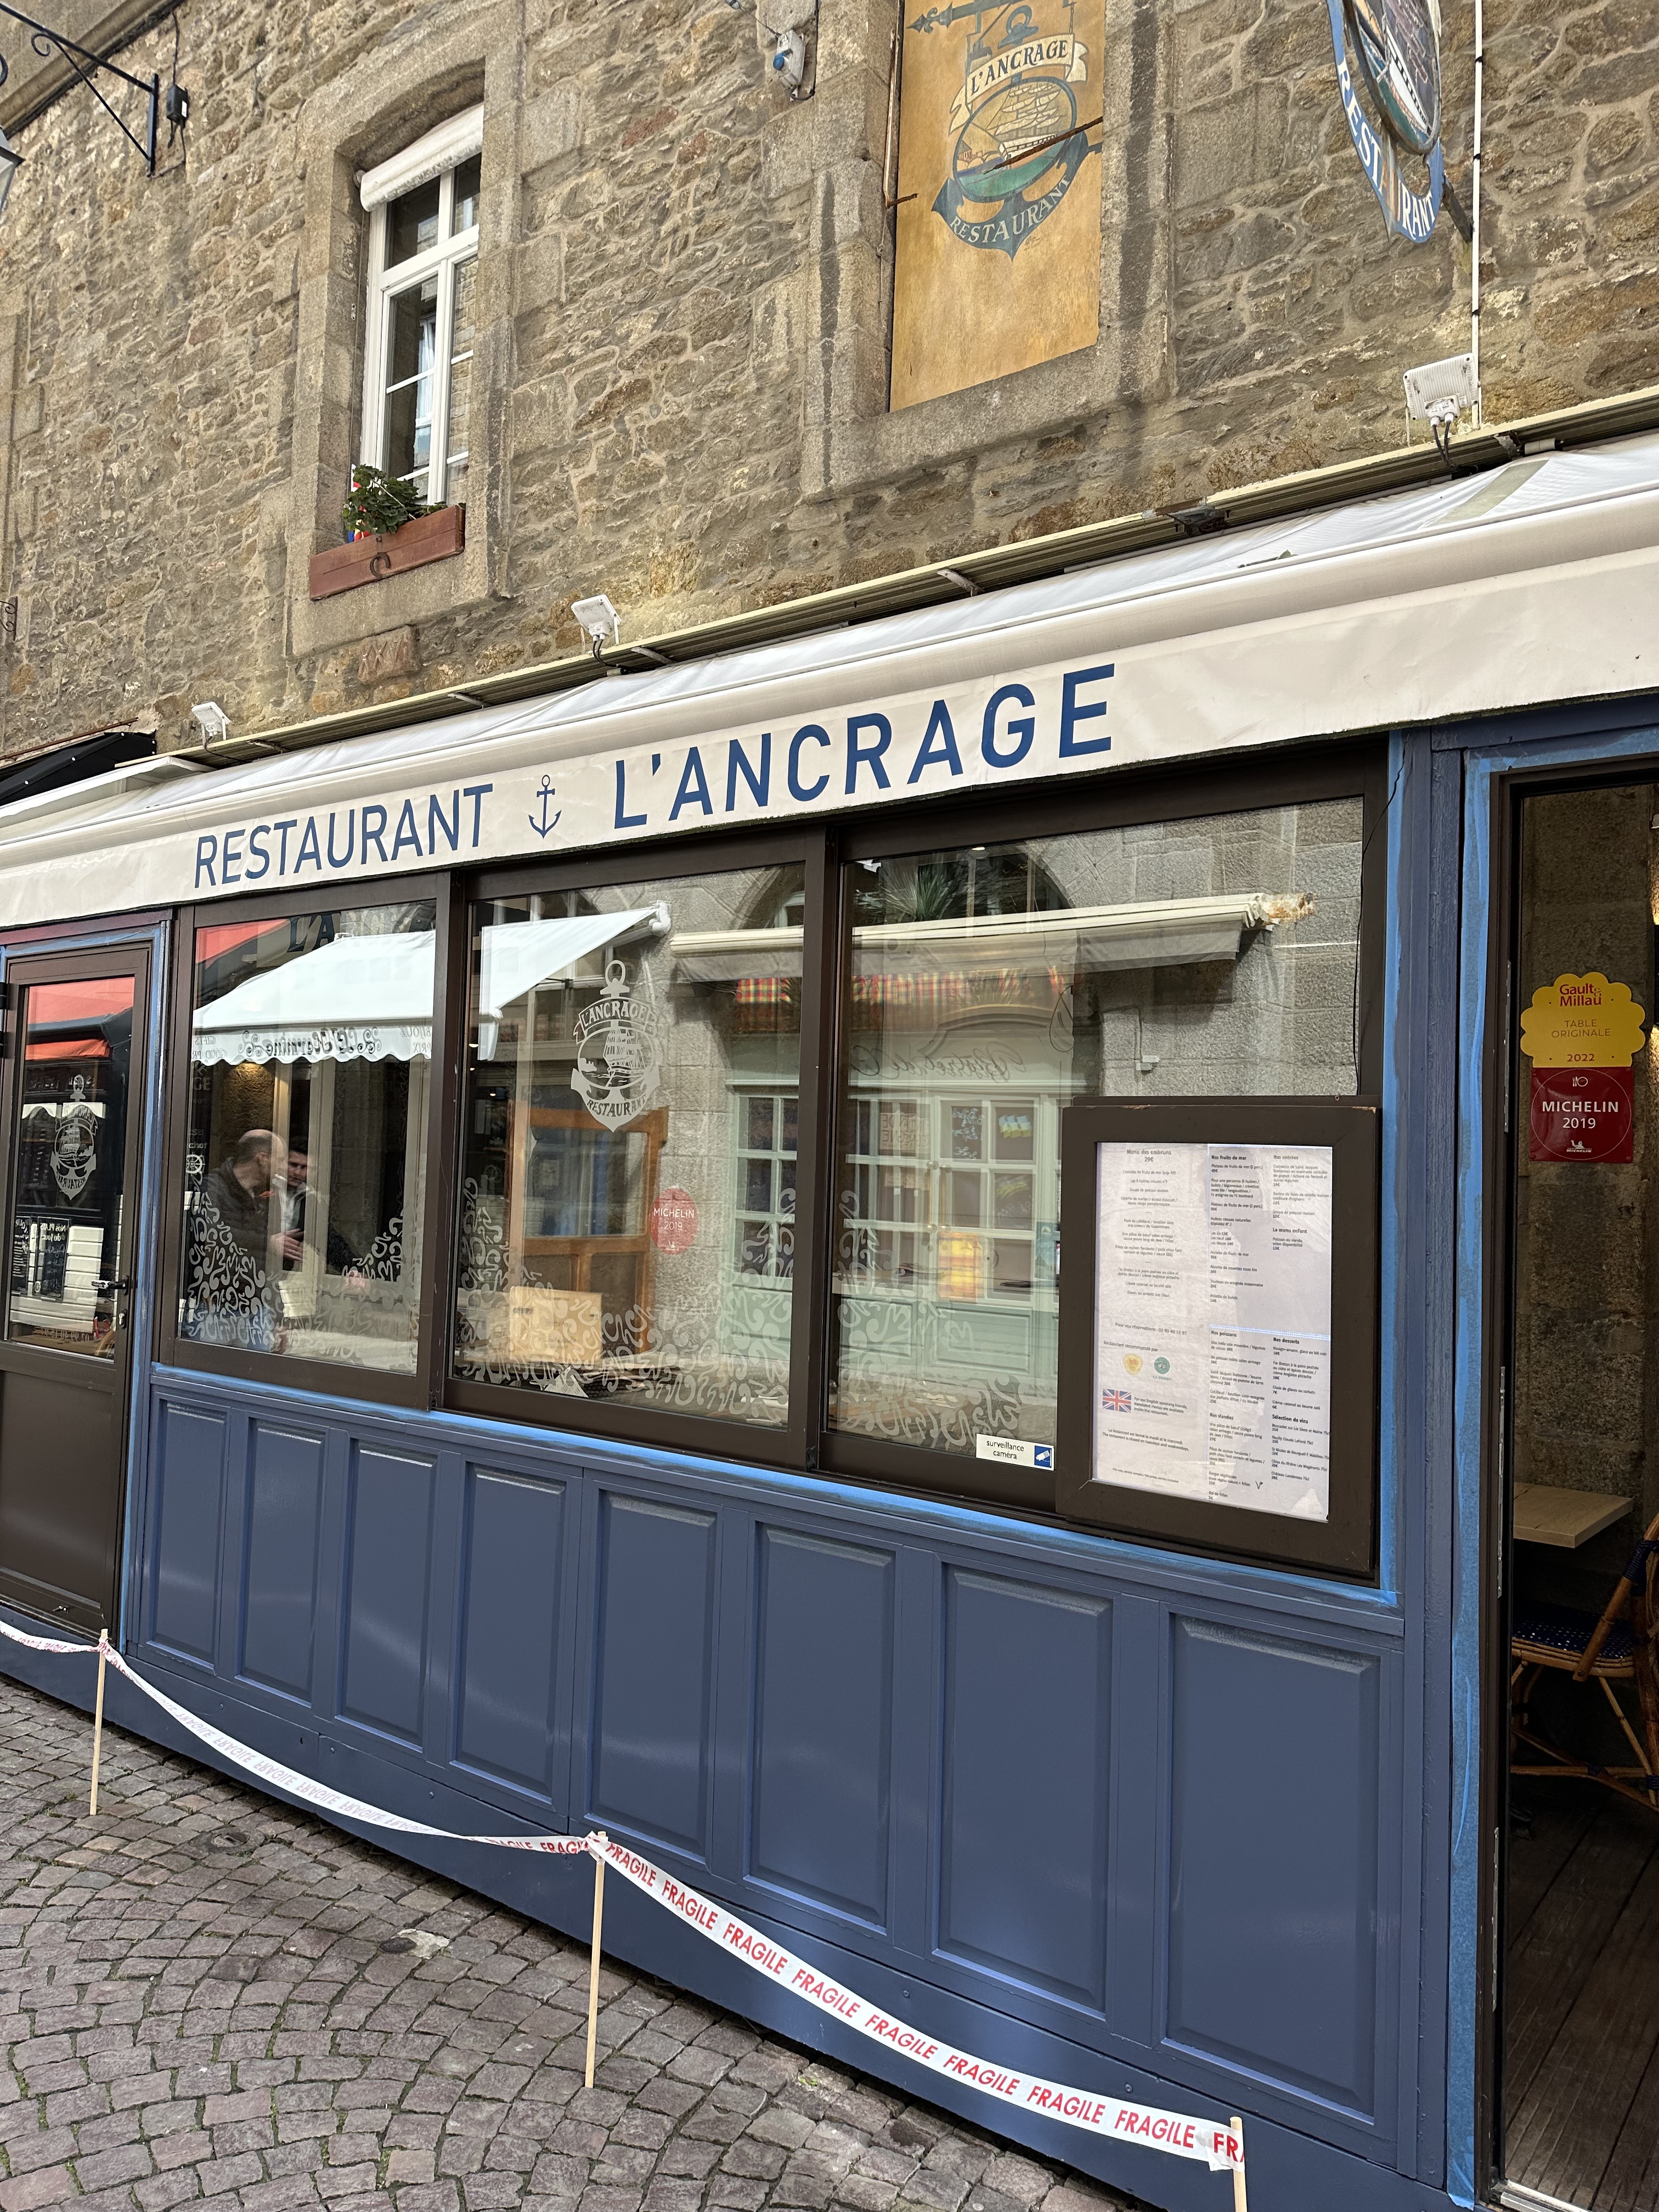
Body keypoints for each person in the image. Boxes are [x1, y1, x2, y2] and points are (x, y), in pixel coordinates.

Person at [185, 1127, 287, 1347]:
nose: (283, 1168)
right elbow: (211, 1234)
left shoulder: (268, 1196)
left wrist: (279, 1316)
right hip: (216, 1304)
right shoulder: (213, 1188)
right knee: (210, 1365)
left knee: (258, 1365)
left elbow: (269, 1265)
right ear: (262, 1159)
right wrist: (268, 1243)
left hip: (257, 1305)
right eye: (280, 1160)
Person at [279, 1144, 366, 1282]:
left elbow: (327, 1237)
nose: (298, 1172)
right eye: (293, 1165)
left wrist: (354, 1268)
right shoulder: (266, 1189)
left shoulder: (310, 1198)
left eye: (304, 1167)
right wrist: (268, 1243)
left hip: (282, 1272)